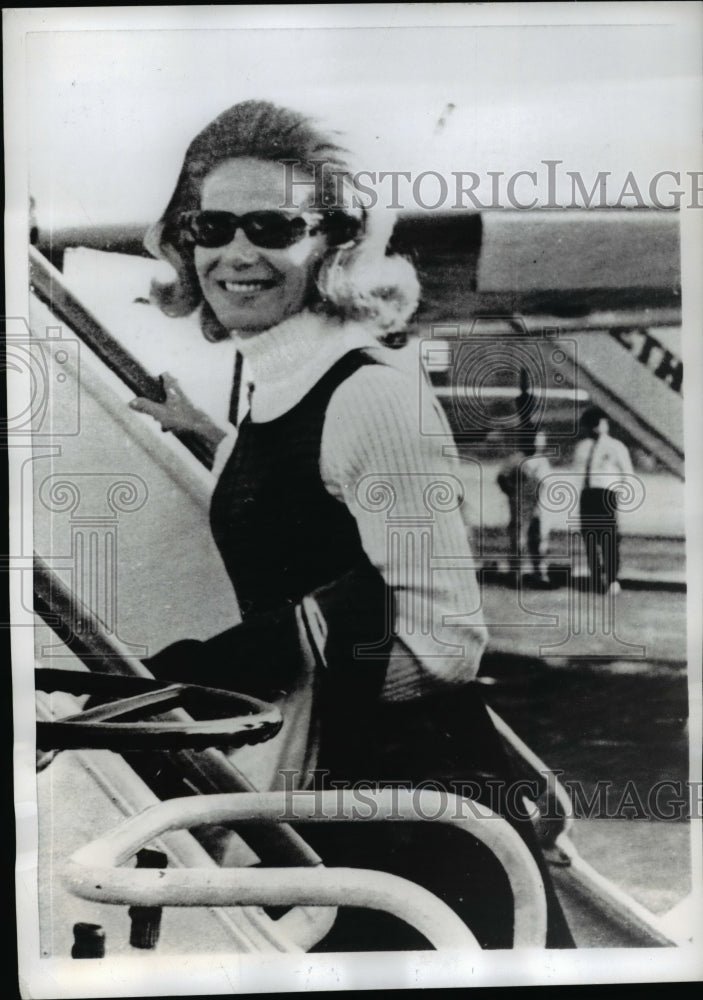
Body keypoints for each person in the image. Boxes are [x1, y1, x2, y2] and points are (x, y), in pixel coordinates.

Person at [130, 100, 573, 950]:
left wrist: (277, 691)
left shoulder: (371, 392)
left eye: (271, 225)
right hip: (328, 798)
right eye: (211, 224)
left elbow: (447, 642)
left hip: (403, 823)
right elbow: (314, 512)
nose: (236, 252)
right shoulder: (280, 385)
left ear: (332, 242)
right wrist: (205, 434)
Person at [573, 407, 634, 593]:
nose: (596, 428)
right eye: (591, 424)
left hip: (606, 494)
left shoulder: (615, 446)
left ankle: (612, 579)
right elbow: (577, 472)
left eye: (599, 423)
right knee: (589, 537)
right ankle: (596, 576)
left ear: (605, 424)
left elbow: (628, 474)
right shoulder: (582, 447)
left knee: (609, 538)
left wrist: (619, 496)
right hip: (588, 494)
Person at [497, 428, 552, 583]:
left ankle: (540, 572)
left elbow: (544, 484)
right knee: (518, 538)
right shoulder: (516, 459)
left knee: (539, 538)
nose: (540, 443)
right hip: (520, 504)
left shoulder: (542, 461)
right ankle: (516, 573)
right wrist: (512, 493)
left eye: (542, 440)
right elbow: (501, 477)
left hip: (539, 506)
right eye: (537, 439)